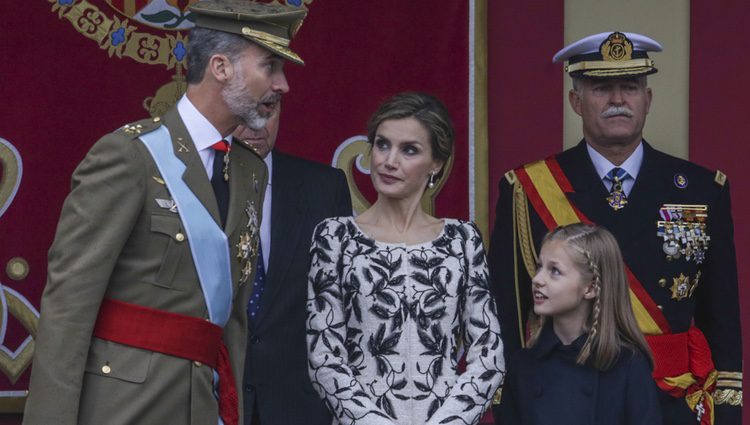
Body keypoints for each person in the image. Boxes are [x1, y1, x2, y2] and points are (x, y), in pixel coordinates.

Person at [22, 2, 307, 424]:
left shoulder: (249, 170)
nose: (282, 85)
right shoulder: (130, 156)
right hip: (123, 405)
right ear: (221, 67)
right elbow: (68, 306)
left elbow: (234, 327)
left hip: (202, 404)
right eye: (270, 67)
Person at [489, 31, 742, 425]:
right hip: (566, 400)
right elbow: (509, 312)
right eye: (601, 88)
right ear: (576, 101)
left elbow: (721, 315)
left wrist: (727, 405)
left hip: (672, 401)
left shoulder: (701, 188)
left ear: (648, 99)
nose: (618, 100)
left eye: (630, 87)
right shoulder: (528, 189)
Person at [306, 92, 504, 425]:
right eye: (382, 145)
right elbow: (324, 356)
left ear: (436, 163)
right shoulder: (334, 237)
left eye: (409, 149)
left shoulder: (463, 240)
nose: (388, 160)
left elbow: (489, 356)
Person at [234, 107, 353, 425]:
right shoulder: (193, 185)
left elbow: (340, 306)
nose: (257, 125)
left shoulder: (324, 187)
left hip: (298, 405)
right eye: (245, 113)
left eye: (267, 111)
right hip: (213, 398)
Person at [497, 223, 662, 424]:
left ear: (590, 288)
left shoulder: (627, 366)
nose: (537, 279)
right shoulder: (523, 365)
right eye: (540, 267)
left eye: (555, 271)